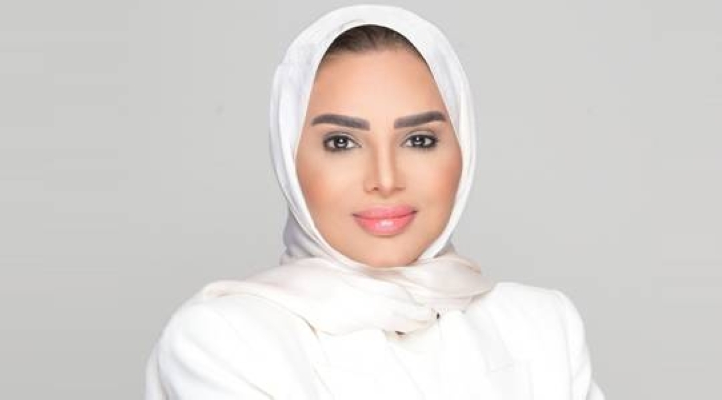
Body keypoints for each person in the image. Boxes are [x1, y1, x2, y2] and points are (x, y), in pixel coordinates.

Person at [144, 4, 605, 399]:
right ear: (288, 158)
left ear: (463, 148)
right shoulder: (225, 339)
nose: (385, 179)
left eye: (419, 140)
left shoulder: (542, 326)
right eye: (342, 143)